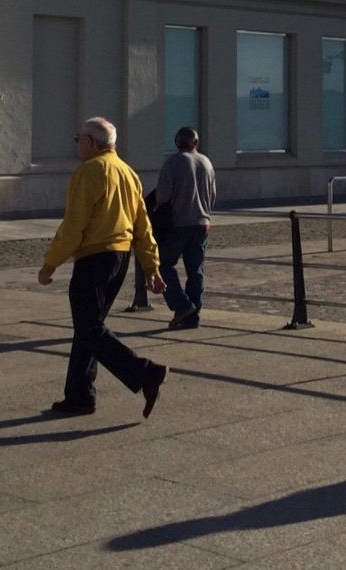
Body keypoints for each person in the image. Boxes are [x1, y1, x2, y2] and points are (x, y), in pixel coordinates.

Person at [37, 117, 168, 418]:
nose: (76, 145)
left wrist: (50, 264)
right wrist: (151, 267)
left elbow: (74, 225)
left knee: (89, 328)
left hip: (95, 257)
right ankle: (80, 395)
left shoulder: (90, 171)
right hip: (119, 259)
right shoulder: (128, 172)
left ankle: (144, 372)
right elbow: (142, 225)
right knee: (87, 328)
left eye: (77, 139)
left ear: (90, 143)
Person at [155, 126, 216, 330]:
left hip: (178, 223)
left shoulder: (173, 162)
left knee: (162, 264)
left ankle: (182, 305)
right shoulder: (207, 162)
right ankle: (193, 316)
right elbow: (213, 197)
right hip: (202, 224)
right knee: (195, 271)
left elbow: (162, 196)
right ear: (195, 143)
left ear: (177, 142)